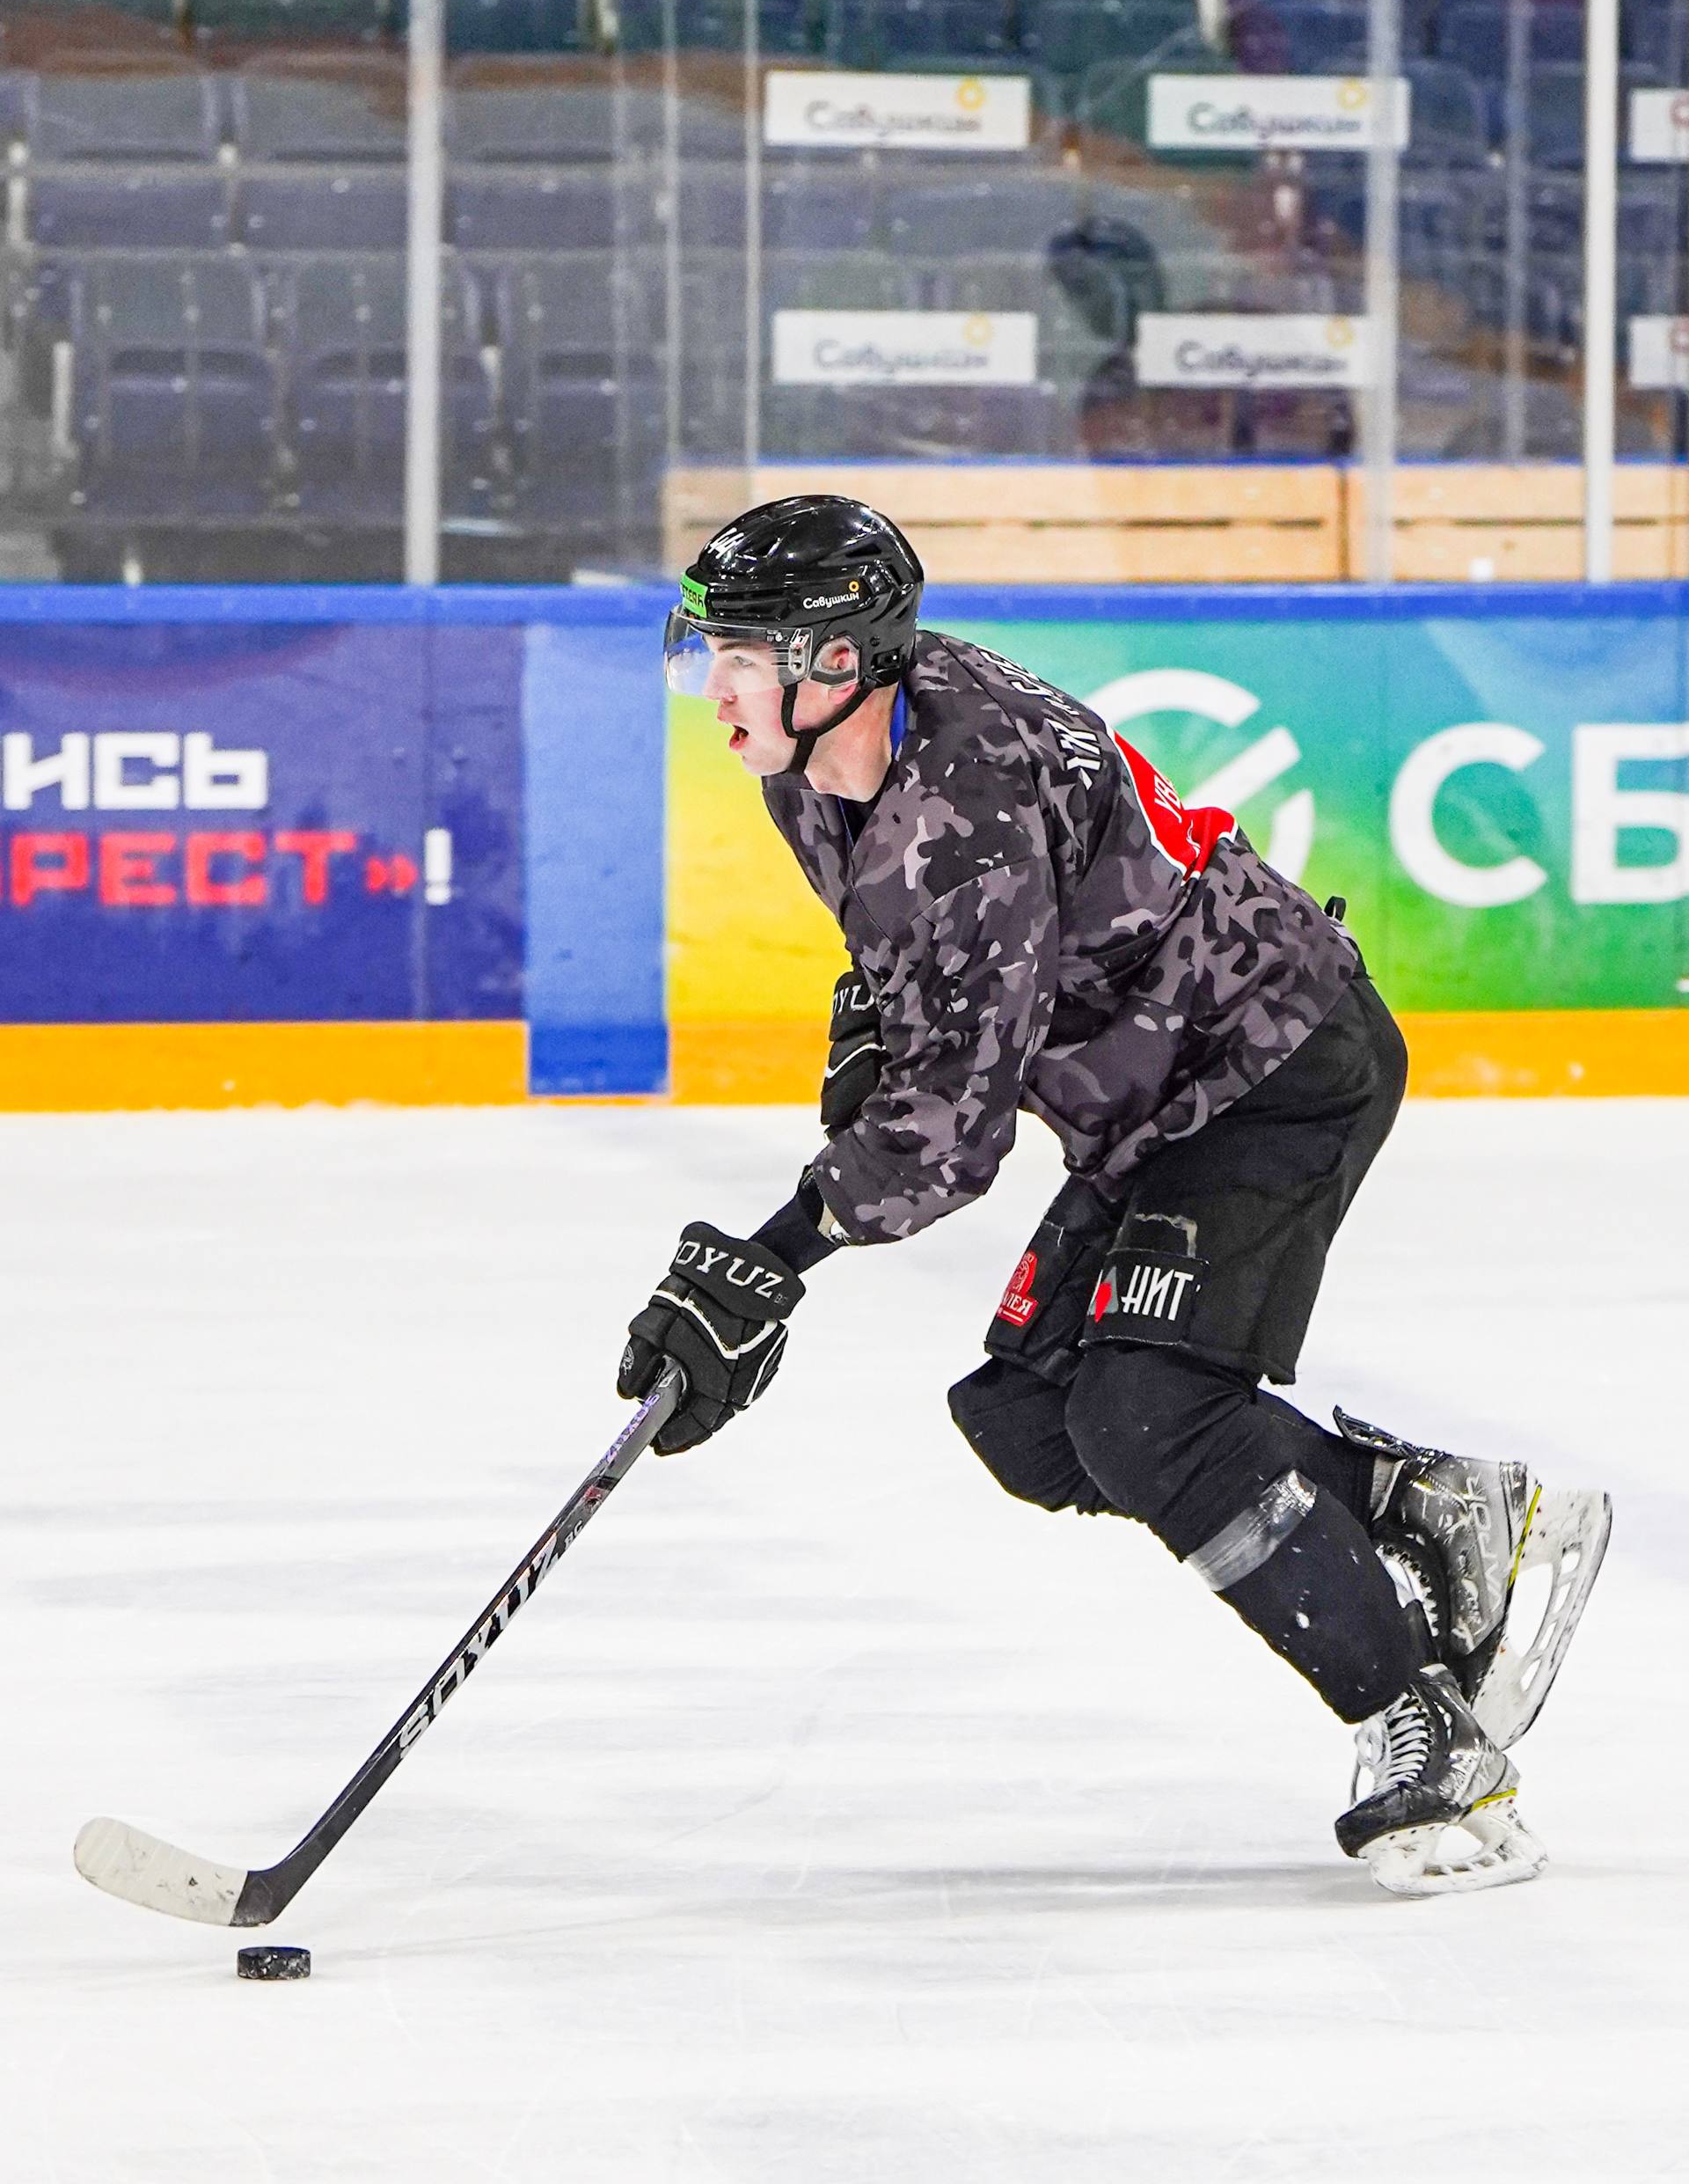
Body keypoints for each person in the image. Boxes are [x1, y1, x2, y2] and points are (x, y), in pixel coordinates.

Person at [620, 494, 1611, 1900]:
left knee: (1148, 1413)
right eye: (705, 651)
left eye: (739, 656)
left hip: (1271, 1067)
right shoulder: (819, 758)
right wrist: (870, 1028)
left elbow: (953, 1136)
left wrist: (773, 1258)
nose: (712, 688)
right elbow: (915, 960)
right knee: (1030, 1420)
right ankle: (1433, 1507)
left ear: (837, 661)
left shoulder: (963, 800)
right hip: (1153, 1103)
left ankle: (1427, 1733)